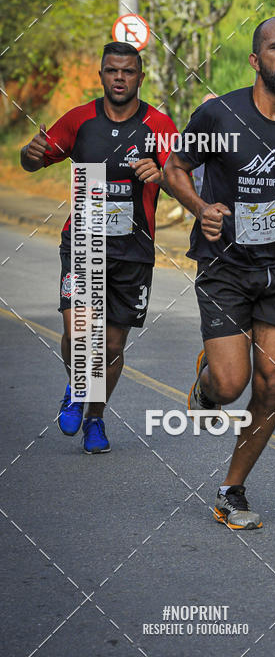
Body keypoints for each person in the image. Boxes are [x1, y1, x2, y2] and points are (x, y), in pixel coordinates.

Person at [165, 15, 275, 530]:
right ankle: (208, 386)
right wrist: (201, 208)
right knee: (232, 383)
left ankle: (231, 490)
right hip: (225, 267)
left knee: (270, 384)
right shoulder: (219, 115)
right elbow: (175, 168)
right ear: (255, 60)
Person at [20, 41, 177, 454]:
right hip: (83, 241)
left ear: (140, 77)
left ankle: (95, 417)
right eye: (112, 70)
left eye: (128, 71)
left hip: (133, 249)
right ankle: (77, 388)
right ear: (102, 75)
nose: (119, 78)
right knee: (78, 333)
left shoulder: (159, 125)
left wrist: (161, 175)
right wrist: (29, 154)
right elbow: (34, 159)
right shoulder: (80, 120)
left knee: (110, 347)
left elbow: (183, 181)